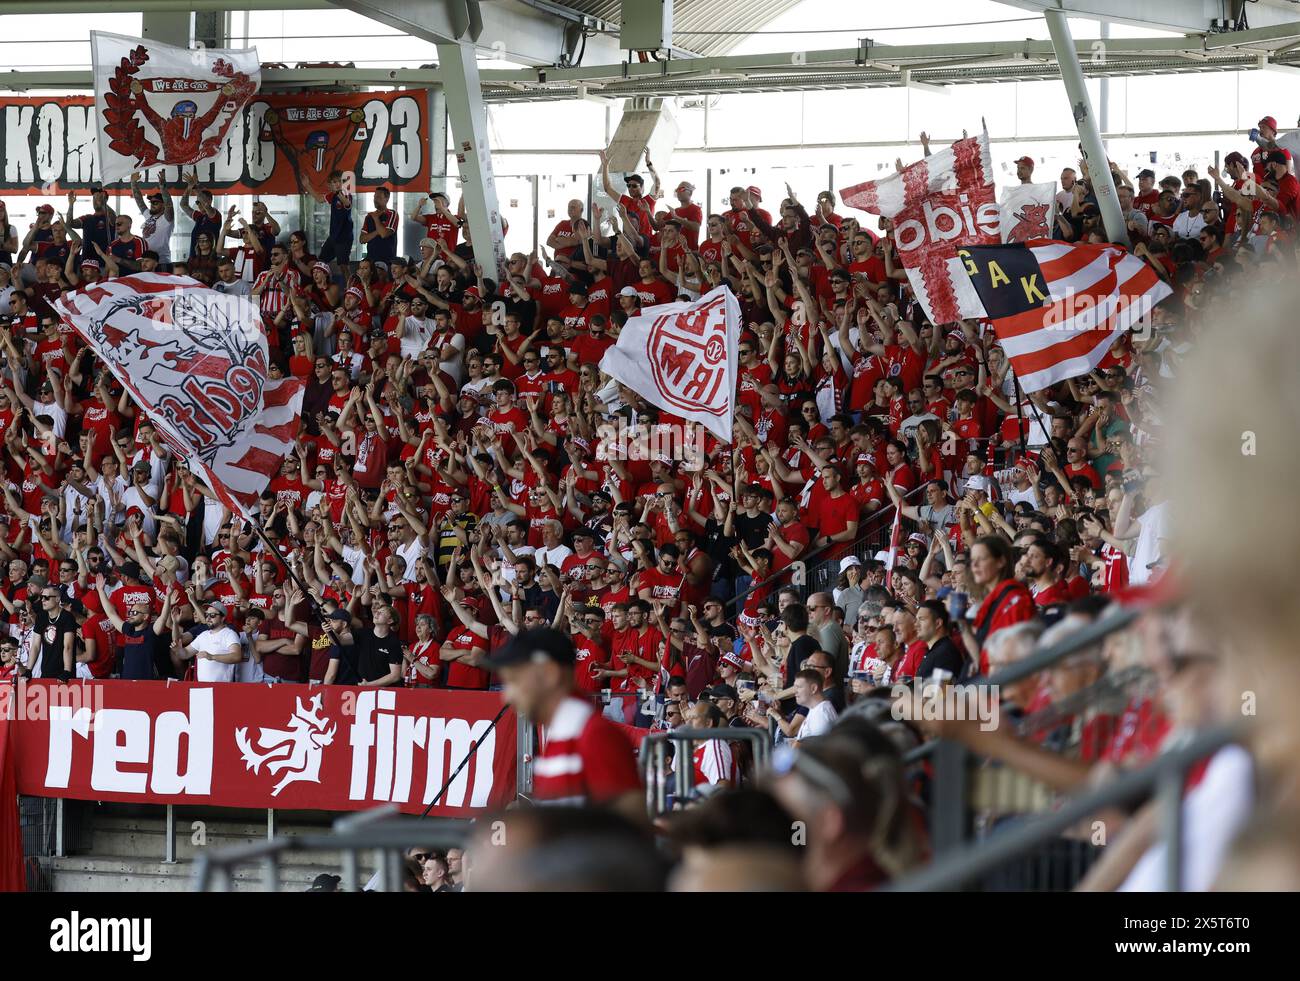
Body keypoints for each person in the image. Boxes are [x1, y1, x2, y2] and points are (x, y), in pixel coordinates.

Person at [487, 627, 643, 820]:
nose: (507, 696)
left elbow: (629, 831)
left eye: (515, 681)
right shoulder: (565, 732)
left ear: (550, 674)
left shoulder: (593, 736)